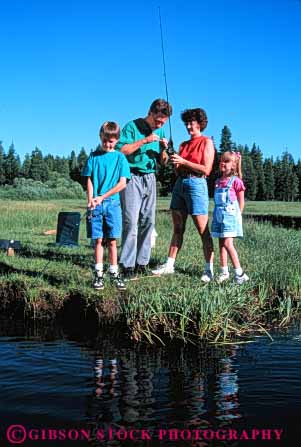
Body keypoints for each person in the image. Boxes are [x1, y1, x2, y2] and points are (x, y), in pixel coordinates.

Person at [152, 107, 215, 282]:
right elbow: (177, 168)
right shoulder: (183, 145)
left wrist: (183, 161)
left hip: (197, 184)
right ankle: (169, 265)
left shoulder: (206, 142)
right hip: (180, 184)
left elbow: (206, 169)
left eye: (191, 123)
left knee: (203, 230)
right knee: (178, 228)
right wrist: (168, 151)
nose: (188, 126)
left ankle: (208, 270)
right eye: (186, 123)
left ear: (200, 123)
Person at [115, 98, 172, 279]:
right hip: (132, 177)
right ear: (151, 113)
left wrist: (164, 150)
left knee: (148, 221)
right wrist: (145, 140)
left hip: (150, 177)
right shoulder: (132, 126)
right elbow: (121, 151)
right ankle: (127, 265)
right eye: (157, 121)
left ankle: (142, 263)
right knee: (131, 221)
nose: (159, 125)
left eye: (163, 123)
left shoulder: (161, 131)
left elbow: (163, 162)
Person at [82, 121, 131, 290]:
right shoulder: (93, 157)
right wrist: (91, 199)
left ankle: (114, 272)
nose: (107, 144)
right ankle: (98, 274)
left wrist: (102, 197)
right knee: (98, 240)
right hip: (95, 205)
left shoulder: (120, 158)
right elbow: (89, 179)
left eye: (111, 141)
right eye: (104, 140)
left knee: (111, 240)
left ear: (117, 140)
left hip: (112, 204)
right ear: (100, 137)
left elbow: (122, 183)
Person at [211, 151, 249, 284]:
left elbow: (241, 202)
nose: (222, 163)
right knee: (221, 244)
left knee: (228, 243)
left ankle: (240, 274)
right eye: (221, 160)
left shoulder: (236, 181)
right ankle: (224, 272)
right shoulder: (217, 181)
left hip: (230, 217)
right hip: (218, 216)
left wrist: (238, 216)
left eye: (226, 161)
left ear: (233, 166)